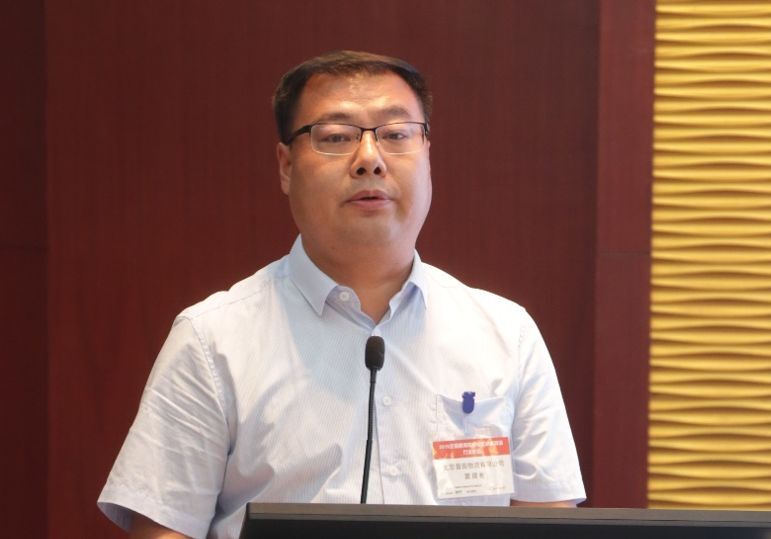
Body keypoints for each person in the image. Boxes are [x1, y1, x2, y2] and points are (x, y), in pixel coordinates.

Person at [98, 50, 585, 539]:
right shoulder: (212, 340)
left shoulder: (507, 334)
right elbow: (163, 529)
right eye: (335, 137)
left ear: (427, 156)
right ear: (286, 166)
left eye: (396, 134)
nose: (369, 159)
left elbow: (549, 521)